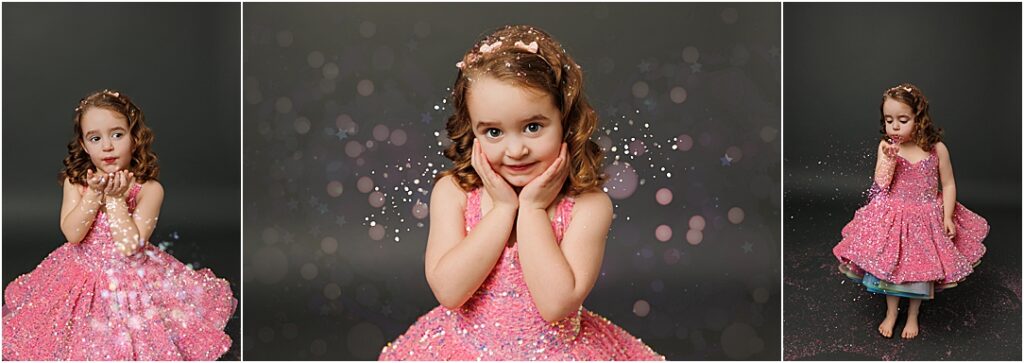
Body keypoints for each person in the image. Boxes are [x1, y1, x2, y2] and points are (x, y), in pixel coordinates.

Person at [379, 25, 663, 360]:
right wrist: (502, 209)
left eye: (533, 127)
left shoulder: (588, 205)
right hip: (464, 349)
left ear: (566, 121)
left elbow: (555, 304)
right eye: (493, 132)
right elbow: (450, 292)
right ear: (472, 131)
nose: (515, 150)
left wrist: (532, 209)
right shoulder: (454, 193)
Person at [2, 89, 236, 360]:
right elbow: (73, 234)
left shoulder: (149, 189)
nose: (107, 146)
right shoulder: (76, 183)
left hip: (132, 278)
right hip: (81, 270)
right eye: (95, 138)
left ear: (135, 138)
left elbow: (129, 246)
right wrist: (93, 194)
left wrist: (115, 200)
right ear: (84, 145)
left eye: (117, 135)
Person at [833, 83, 988, 339]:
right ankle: (891, 312)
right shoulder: (886, 146)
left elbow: (949, 184)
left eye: (902, 120)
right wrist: (889, 159)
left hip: (926, 216)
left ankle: (913, 315)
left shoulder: (936, 149)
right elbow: (880, 185)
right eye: (889, 120)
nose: (894, 126)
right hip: (894, 214)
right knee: (891, 267)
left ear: (919, 118)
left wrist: (947, 216)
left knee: (920, 271)